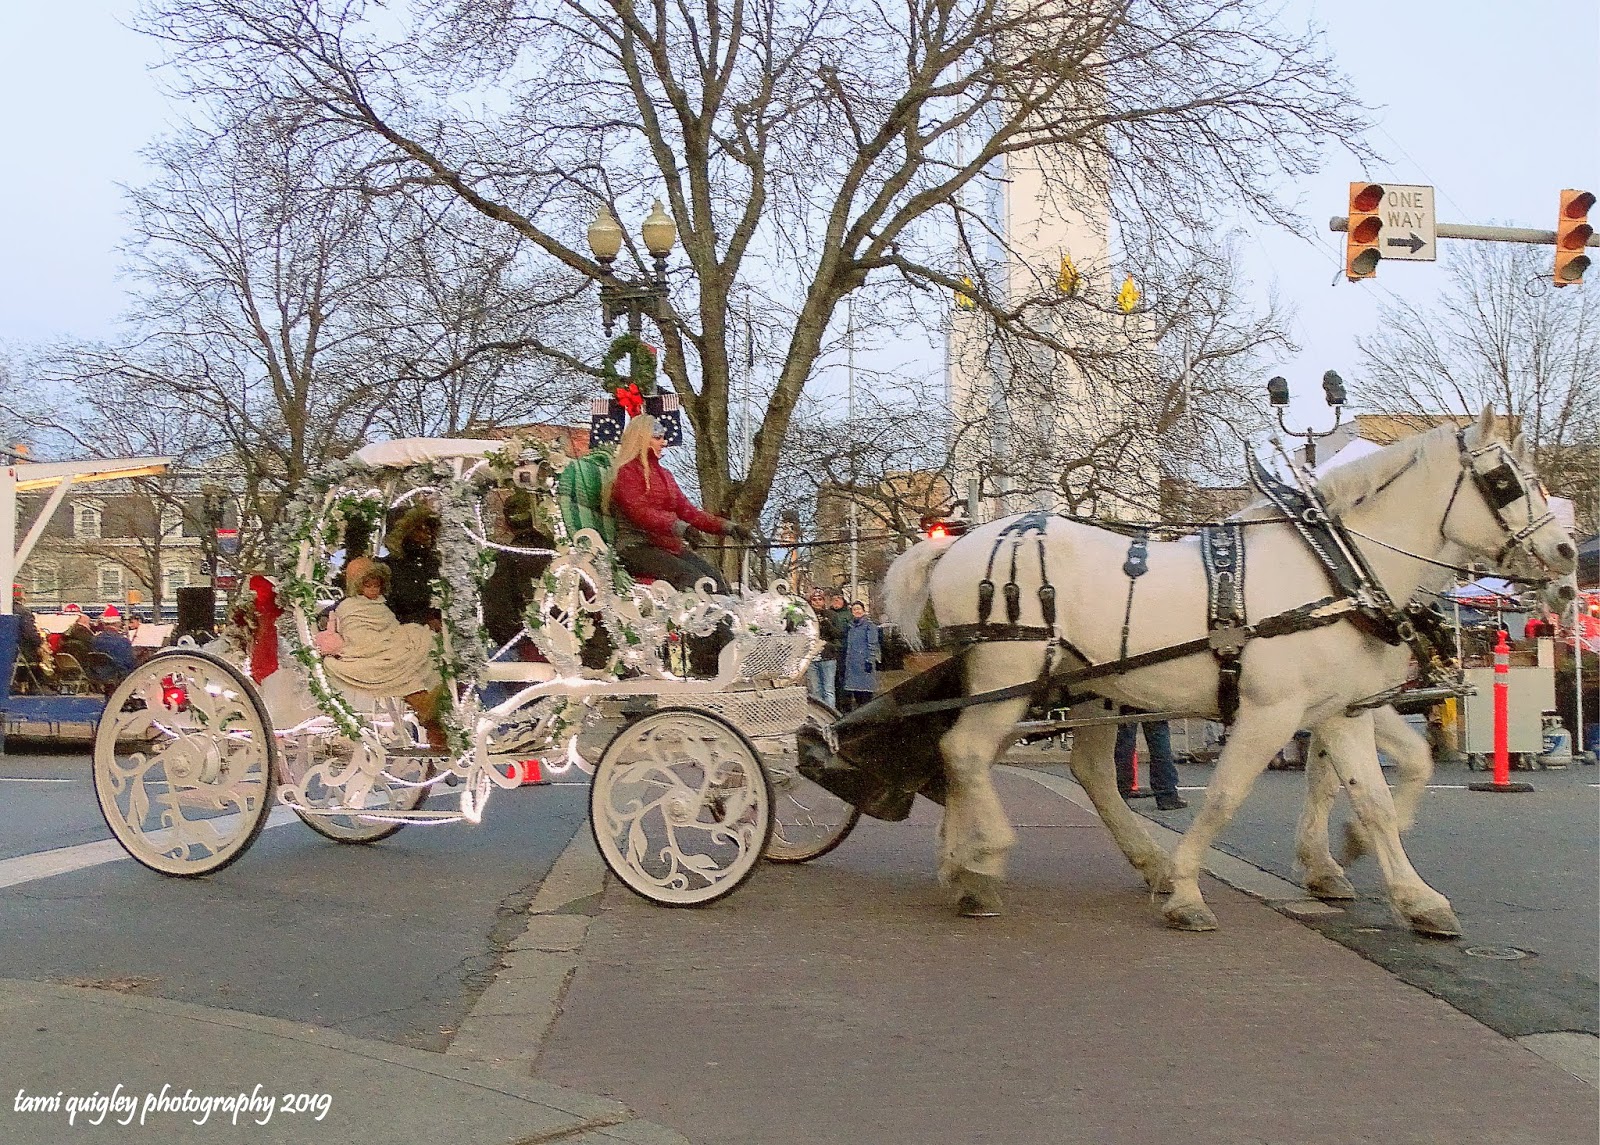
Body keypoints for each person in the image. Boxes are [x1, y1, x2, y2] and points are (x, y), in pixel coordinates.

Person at [314, 557, 447, 751]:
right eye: (368, 585)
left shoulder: (381, 604)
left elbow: (389, 625)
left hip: (393, 642)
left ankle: (437, 713)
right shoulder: (349, 607)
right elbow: (360, 637)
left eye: (376, 586)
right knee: (401, 663)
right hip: (370, 651)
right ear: (357, 585)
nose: (373, 591)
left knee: (423, 642)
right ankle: (431, 716)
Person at [603, 414, 748, 593]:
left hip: (666, 547)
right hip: (636, 548)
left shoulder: (665, 475)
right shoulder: (627, 473)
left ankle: (726, 619)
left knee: (716, 580)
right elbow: (640, 512)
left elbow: (688, 511)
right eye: (657, 438)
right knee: (695, 580)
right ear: (641, 439)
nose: (664, 443)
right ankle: (702, 620)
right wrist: (681, 528)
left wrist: (729, 527)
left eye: (663, 438)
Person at [384, 503, 442, 628]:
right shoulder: (387, 568)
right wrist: (422, 620)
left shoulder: (436, 564)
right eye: (418, 530)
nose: (426, 535)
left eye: (428, 529)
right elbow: (385, 613)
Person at [1115, 716, 1188, 810]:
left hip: (1128, 703)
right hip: (1151, 705)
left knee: (1125, 744)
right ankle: (1167, 795)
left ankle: (1120, 796)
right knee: (1159, 741)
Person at [840, 600, 881, 712]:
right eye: (854, 609)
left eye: (859, 609)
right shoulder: (850, 626)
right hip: (852, 665)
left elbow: (872, 643)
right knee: (856, 693)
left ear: (863, 610)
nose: (857, 611)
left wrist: (870, 659)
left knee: (866, 695)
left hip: (864, 664)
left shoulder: (870, 625)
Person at [803, 587, 840, 709]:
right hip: (812, 657)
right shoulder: (806, 617)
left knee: (828, 689)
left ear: (824, 601)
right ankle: (817, 715)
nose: (817, 602)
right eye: (814, 599)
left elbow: (838, 634)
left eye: (820, 599)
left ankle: (829, 714)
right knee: (815, 689)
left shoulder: (831, 615)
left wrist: (827, 624)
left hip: (827, 656)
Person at [89, 605, 138, 691]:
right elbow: (129, 663)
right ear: (117, 623)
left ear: (104, 623)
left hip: (98, 674)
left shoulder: (95, 639)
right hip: (117, 675)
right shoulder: (121, 640)